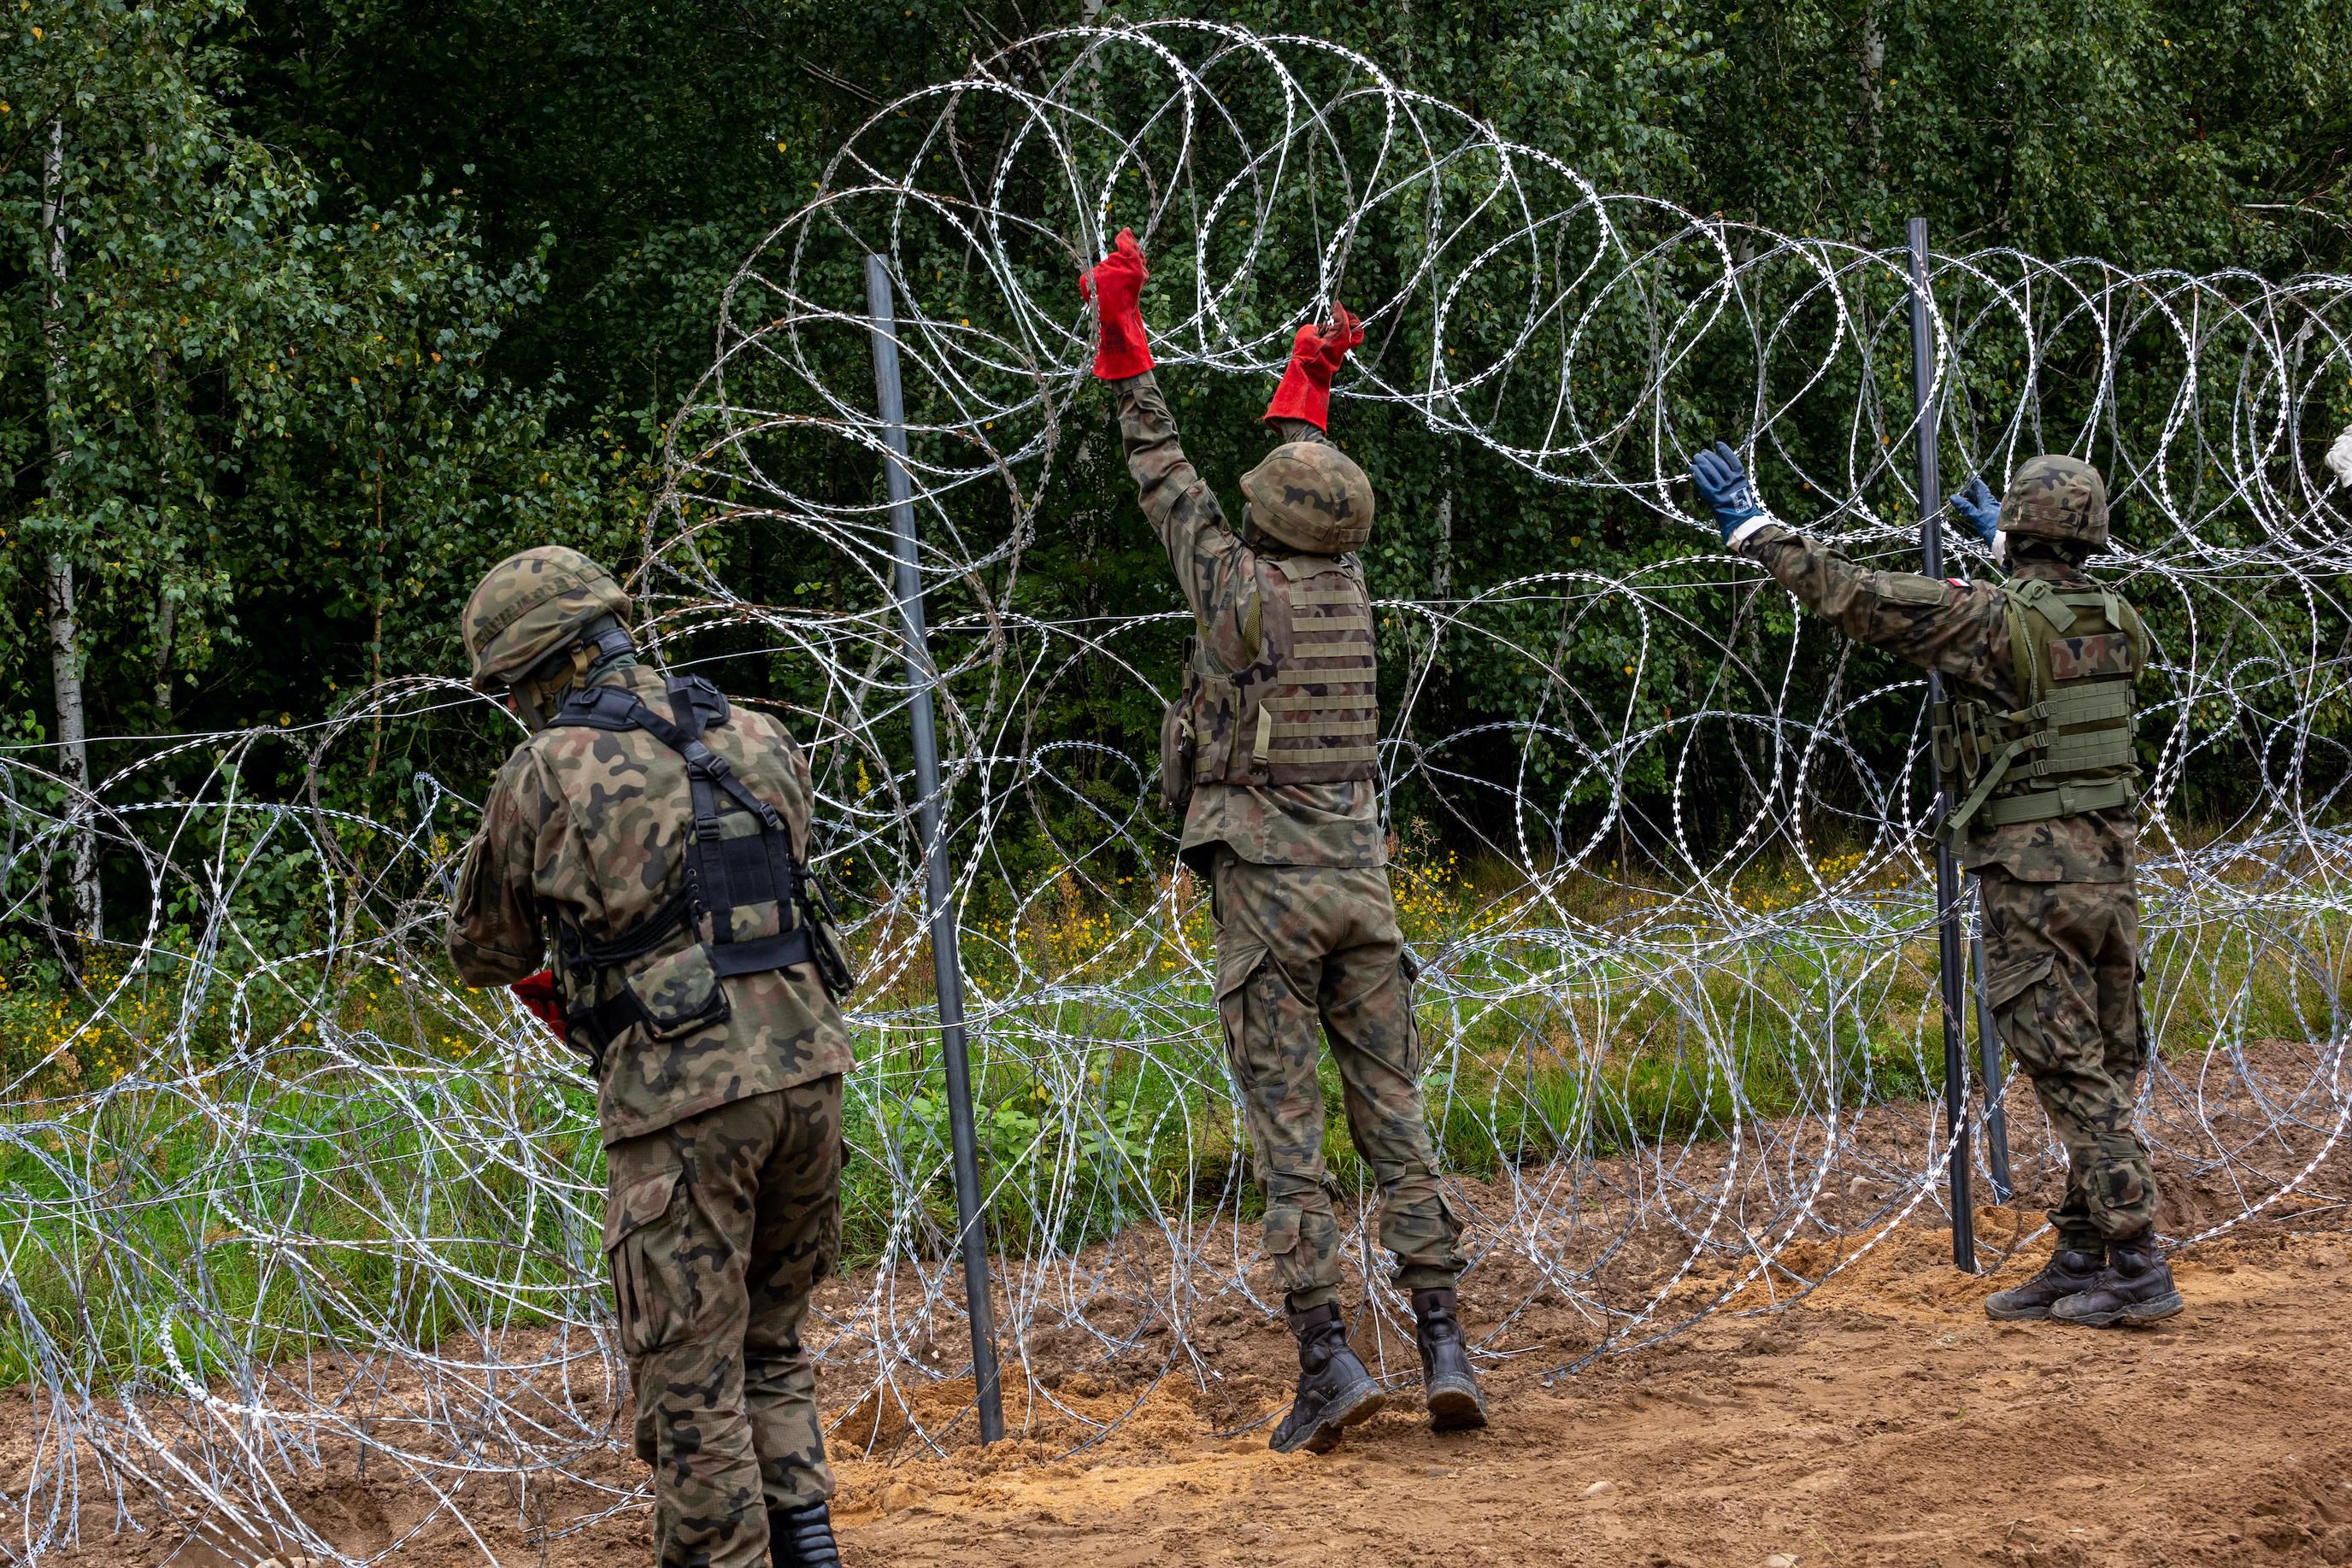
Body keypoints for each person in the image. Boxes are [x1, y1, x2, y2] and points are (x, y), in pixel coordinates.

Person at [1082, 229, 1486, 1450]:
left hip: (1269, 893)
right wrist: (1313, 378)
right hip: (1363, 889)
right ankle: (1446, 1339)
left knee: (1291, 1138)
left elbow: (1167, 476)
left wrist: (1124, 339)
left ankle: (1328, 1360)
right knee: (1395, 1118)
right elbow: (1309, 486)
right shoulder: (1350, 589)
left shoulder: (1237, 593)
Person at [1686, 443, 2184, 1328]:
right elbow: (2053, 625)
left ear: (2020, 526)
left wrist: (1758, 531)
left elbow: (1858, 597)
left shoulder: (1990, 620)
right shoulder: (2118, 614)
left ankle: (2138, 1260)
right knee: (2102, 1063)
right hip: (2110, 870)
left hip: (2031, 875)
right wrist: (2002, 541)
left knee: (2066, 1067)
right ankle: (2080, 1252)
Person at [445, 546, 858, 1568]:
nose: (517, 707)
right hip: (808, 1070)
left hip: (684, 1101)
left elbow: (486, 947)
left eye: (513, 686)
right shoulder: (754, 731)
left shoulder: (550, 767)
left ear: (546, 664)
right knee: (769, 1346)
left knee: (689, 1379)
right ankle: (808, 1548)